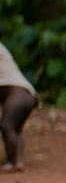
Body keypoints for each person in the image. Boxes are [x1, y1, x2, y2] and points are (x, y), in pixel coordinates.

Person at [0, 39, 38, 173]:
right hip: (28, 94)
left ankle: (12, 162)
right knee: (16, 130)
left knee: (6, 126)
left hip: (18, 95)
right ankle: (18, 161)